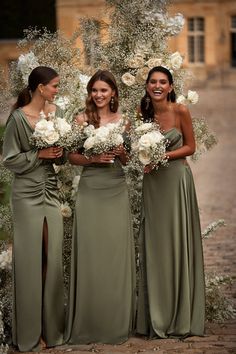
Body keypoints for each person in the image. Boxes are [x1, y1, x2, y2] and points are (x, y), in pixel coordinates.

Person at [65, 70, 136, 344]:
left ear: (114, 93)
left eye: (104, 90)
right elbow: (72, 156)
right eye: (94, 90)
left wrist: (122, 153)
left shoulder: (125, 122)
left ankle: (115, 321)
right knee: (92, 252)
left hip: (115, 188)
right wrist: (92, 159)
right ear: (89, 93)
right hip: (91, 189)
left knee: (114, 253)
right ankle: (90, 320)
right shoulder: (81, 120)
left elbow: (129, 162)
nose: (98, 95)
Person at [136, 66, 205, 338]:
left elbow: (190, 147)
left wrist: (162, 158)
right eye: (153, 81)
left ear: (171, 86)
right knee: (156, 245)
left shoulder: (181, 111)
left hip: (176, 182)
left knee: (176, 242)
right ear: (146, 86)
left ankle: (179, 315)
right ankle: (157, 314)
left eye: (163, 82)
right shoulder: (143, 114)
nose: (157, 86)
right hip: (153, 184)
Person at [2, 66, 65, 352]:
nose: (56, 90)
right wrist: (37, 153)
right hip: (26, 193)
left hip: (50, 190)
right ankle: (30, 333)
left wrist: (59, 152)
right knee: (29, 262)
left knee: (51, 259)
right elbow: (10, 160)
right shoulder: (17, 118)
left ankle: (51, 330)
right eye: (54, 85)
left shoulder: (57, 115)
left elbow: (60, 158)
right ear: (40, 87)